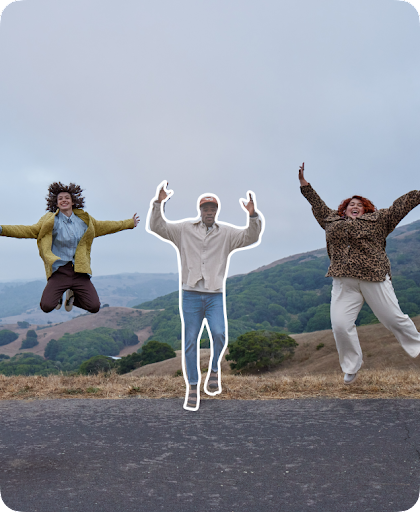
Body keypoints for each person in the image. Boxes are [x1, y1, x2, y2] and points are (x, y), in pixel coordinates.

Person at [299, 162, 420, 384]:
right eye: (350, 204)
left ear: (366, 210)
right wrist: (304, 185)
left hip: (373, 278)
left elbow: (401, 205)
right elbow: (317, 205)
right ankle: (351, 367)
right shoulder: (331, 221)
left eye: (360, 205)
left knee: (393, 319)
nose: (355, 206)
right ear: (343, 210)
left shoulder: (379, 220)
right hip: (344, 281)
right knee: (340, 325)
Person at [147, 181, 264, 410]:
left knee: (219, 334)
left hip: (214, 295)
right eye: (205, 209)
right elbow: (157, 227)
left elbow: (251, 237)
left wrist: (252, 216)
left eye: (212, 209)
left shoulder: (227, 233)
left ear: (216, 211)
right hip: (190, 294)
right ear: (200, 211)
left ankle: (214, 369)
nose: (209, 212)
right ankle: (192, 386)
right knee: (190, 341)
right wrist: (158, 203)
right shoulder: (184, 229)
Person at [0, 182, 139, 314]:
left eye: (67, 198)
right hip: (60, 271)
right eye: (60, 198)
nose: (64, 200)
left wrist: (129, 223)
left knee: (94, 306)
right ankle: (59, 295)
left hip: (80, 271)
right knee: (47, 306)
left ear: (73, 202)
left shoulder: (85, 221)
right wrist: (2, 229)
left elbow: (107, 226)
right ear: (56, 203)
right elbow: (29, 230)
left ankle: (72, 295)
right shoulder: (50, 220)